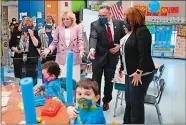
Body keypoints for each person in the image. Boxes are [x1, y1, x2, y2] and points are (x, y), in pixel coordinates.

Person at [120, 7, 155, 124]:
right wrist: (122, 68)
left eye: (126, 18)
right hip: (130, 73)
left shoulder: (142, 31)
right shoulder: (133, 32)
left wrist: (139, 72)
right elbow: (127, 53)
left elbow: (144, 53)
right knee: (129, 102)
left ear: (133, 18)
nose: (124, 20)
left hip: (141, 74)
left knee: (136, 105)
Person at [88, 3, 125, 111]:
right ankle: (97, 102)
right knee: (96, 81)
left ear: (110, 13)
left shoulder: (119, 24)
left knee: (109, 81)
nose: (101, 18)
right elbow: (93, 37)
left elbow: (124, 39)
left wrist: (119, 46)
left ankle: (106, 101)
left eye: (104, 16)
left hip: (112, 57)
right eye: (100, 16)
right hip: (98, 58)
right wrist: (92, 49)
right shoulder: (95, 24)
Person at [41, 11, 84, 82]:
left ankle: (74, 93)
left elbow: (80, 40)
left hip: (74, 56)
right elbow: (54, 41)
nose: (65, 21)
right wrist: (49, 49)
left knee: (74, 80)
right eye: (63, 19)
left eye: (67, 19)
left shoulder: (77, 28)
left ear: (72, 20)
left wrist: (81, 49)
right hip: (61, 57)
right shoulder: (59, 28)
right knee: (62, 80)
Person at [9, 17, 41, 86]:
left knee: (32, 78)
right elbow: (11, 45)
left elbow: (38, 45)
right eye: (25, 24)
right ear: (22, 24)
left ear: (32, 26)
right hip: (19, 58)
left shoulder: (34, 33)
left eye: (29, 25)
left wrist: (32, 36)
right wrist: (16, 50)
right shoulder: (17, 33)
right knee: (21, 78)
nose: (27, 26)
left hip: (31, 59)